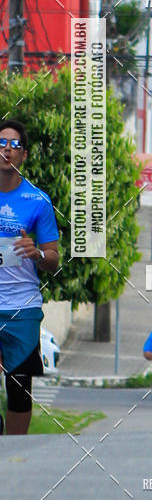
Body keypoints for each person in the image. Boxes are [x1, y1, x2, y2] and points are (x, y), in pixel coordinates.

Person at [0, 121, 59, 436]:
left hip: (22, 309)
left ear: (23, 155)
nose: (6, 148)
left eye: (14, 144)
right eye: (1, 142)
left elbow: (53, 259)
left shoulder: (38, 201)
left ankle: (13, 455)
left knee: (19, 390)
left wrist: (35, 252)